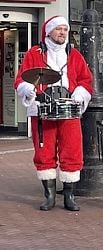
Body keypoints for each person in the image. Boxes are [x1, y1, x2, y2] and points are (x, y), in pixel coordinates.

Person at [14, 16, 93, 211]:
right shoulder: (35, 53)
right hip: (43, 108)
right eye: (58, 29)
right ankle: (49, 196)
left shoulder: (74, 55)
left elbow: (86, 80)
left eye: (65, 30)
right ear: (49, 31)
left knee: (72, 150)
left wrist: (80, 93)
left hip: (69, 107)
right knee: (44, 152)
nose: (62, 33)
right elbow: (20, 80)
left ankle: (69, 196)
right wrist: (28, 89)